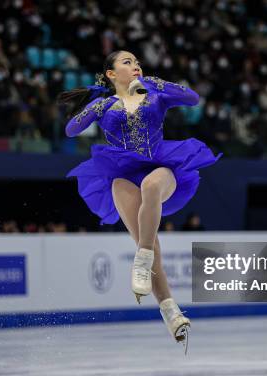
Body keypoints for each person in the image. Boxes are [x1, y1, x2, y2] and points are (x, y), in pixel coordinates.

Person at [57, 50, 222, 352]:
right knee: (150, 239)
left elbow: (192, 97)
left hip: (163, 169)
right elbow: (71, 129)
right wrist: (97, 104)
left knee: (151, 186)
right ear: (110, 74)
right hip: (123, 176)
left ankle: (141, 261)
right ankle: (170, 311)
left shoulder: (155, 96)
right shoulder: (105, 104)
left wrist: (154, 83)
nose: (135, 66)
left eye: (137, 62)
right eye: (127, 62)